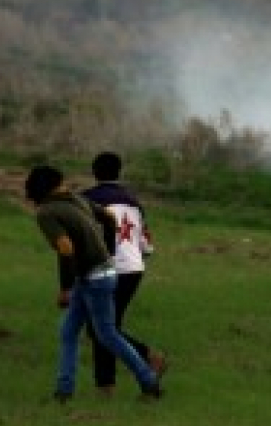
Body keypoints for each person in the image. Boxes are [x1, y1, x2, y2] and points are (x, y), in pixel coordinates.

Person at [24, 164, 163, 402]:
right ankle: (63, 391)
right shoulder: (77, 200)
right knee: (68, 331)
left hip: (94, 279)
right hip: (94, 275)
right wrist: (107, 250)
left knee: (107, 334)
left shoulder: (47, 212)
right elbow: (109, 218)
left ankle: (148, 380)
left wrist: (65, 288)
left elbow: (65, 248)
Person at [81, 152, 166, 396]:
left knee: (102, 328)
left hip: (106, 268)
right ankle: (112, 381)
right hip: (134, 268)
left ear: (94, 172)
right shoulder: (133, 202)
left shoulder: (87, 200)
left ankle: (116, 379)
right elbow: (146, 246)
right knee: (107, 326)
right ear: (119, 172)